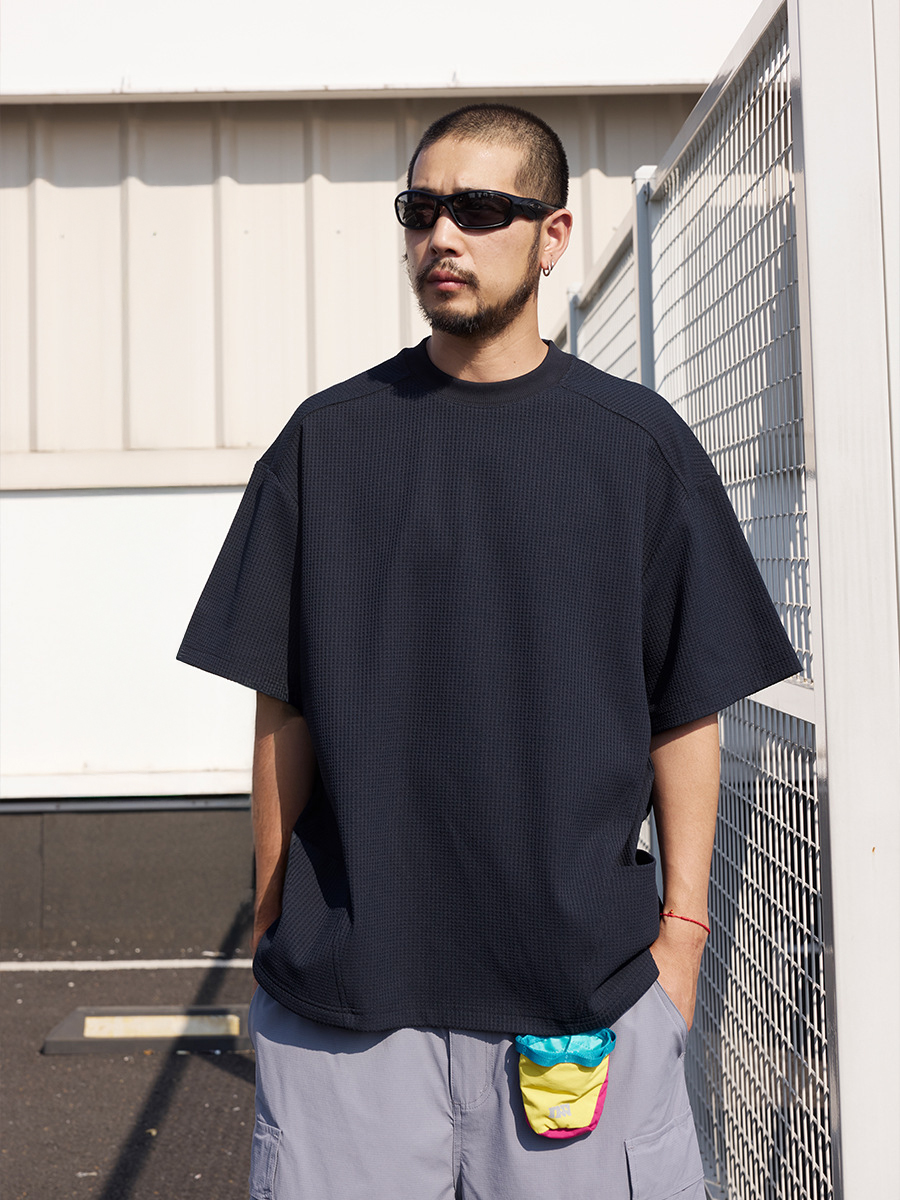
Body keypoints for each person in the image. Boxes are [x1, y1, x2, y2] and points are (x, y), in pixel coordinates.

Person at [178, 104, 800, 1200]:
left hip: (583, 999)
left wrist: (684, 939)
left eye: (477, 210)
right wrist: (274, 923)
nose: (442, 237)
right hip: (351, 1010)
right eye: (420, 210)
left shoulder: (634, 447)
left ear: (552, 236)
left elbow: (686, 710)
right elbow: (284, 708)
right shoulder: (328, 441)